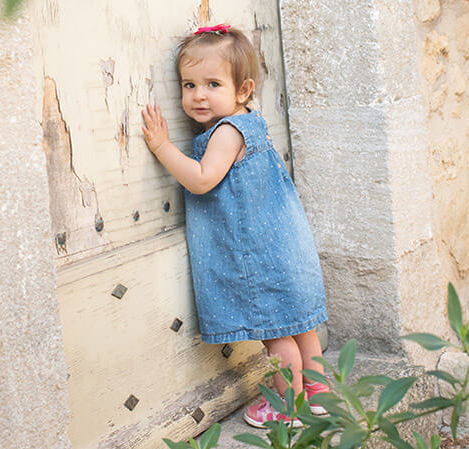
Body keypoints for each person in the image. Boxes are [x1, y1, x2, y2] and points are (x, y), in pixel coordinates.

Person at [141, 23, 330, 428]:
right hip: (282, 244)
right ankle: (318, 394)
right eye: (189, 85)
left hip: (256, 253)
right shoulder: (251, 121)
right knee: (302, 326)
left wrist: (162, 146)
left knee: (276, 334)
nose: (198, 96)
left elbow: (202, 178)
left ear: (242, 91)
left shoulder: (227, 133)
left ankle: (287, 405)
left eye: (212, 84)